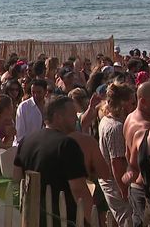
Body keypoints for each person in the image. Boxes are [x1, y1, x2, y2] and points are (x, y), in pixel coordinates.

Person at [13, 95, 93, 227]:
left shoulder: (26, 141)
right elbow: (79, 190)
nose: (76, 119)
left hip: (32, 216)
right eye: (72, 115)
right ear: (58, 117)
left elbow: (16, 178)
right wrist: (92, 220)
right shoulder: (67, 145)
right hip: (62, 219)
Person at [98, 83, 136, 226]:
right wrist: (124, 190)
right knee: (128, 221)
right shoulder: (116, 128)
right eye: (132, 102)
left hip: (113, 181)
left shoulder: (106, 119)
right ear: (123, 103)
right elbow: (117, 163)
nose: (134, 105)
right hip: (116, 183)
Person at [124, 82, 150, 226]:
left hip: (134, 187)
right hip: (145, 189)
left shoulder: (129, 118)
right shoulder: (146, 128)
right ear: (143, 101)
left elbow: (127, 155)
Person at [14, 79, 48, 145]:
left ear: (45, 91)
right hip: (26, 147)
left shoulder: (50, 105)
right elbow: (20, 134)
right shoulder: (23, 107)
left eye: (39, 92)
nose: (35, 95)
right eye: (33, 92)